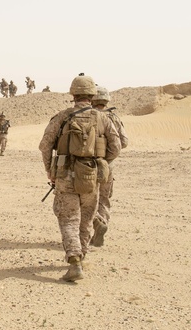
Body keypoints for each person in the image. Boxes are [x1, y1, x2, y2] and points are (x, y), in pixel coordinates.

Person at [39, 74, 121, 282]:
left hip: (65, 174)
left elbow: (45, 145)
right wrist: (100, 162)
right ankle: (82, 256)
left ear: (73, 94)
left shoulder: (63, 116)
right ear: (92, 94)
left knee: (68, 219)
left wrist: (50, 169)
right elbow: (116, 147)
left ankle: (74, 261)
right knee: (86, 219)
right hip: (92, 176)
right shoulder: (103, 118)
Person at [90, 86, 129, 247]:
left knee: (85, 199)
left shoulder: (87, 116)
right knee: (104, 199)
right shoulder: (113, 117)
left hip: (86, 165)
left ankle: (92, 225)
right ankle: (102, 221)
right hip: (107, 166)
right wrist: (107, 159)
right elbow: (123, 142)